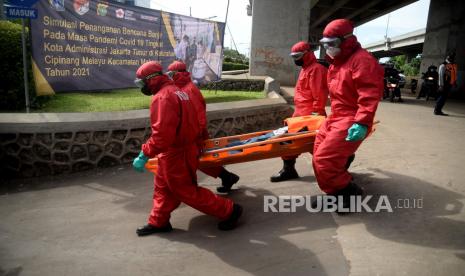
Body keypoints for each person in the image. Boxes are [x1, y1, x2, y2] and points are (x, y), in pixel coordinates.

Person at [132, 61, 242, 236]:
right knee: (163, 188)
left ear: (151, 79)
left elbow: (163, 135)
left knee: (185, 190)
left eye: (141, 82)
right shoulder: (179, 92)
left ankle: (229, 210)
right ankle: (158, 221)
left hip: (176, 152)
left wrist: (145, 153)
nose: (141, 87)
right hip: (179, 150)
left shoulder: (163, 97)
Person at [313, 19, 384, 212]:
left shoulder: (362, 61)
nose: (328, 48)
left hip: (352, 118)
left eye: (332, 44)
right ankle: (334, 194)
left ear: (348, 40)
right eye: (325, 44)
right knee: (317, 157)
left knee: (325, 160)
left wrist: (362, 122)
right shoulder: (337, 63)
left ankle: (349, 192)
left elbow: (369, 94)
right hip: (335, 116)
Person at [167, 60, 240, 193]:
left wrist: (198, 135)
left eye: (171, 74)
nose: (170, 77)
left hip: (195, 134)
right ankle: (227, 177)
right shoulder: (184, 88)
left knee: (196, 161)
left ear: (177, 74)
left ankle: (225, 178)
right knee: (198, 161)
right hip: (192, 133)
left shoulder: (189, 89)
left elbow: (199, 115)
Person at [270, 41, 329, 182]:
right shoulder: (306, 68)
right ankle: (288, 169)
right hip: (300, 115)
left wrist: (315, 116)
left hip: (310, 116)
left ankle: (336, 172)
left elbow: (319, 95)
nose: (296, 59)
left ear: (307, 54)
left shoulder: (316, 69)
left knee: (317, 147)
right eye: (294, 56)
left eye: (298, 56)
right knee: (289, 142)